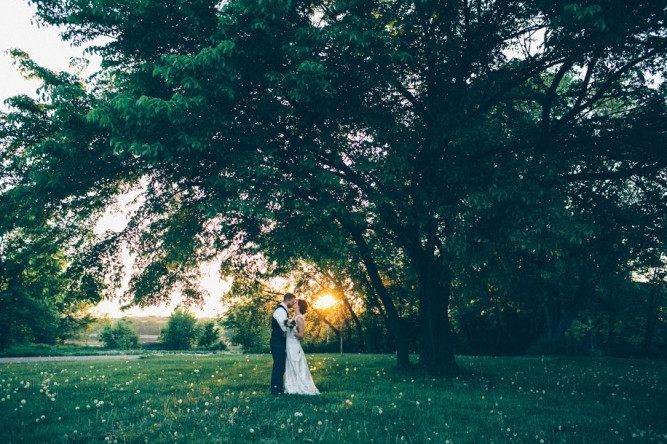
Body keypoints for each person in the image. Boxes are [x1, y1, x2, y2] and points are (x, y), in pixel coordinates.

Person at [284, 300, 320, 395]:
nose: (293, 303)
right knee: (290, 364)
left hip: (294, 345)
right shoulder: (294, 318)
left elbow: (301, 335)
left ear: (299, 306)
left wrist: (291, 331)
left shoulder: (299, 318)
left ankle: (301, 387)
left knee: (295, 364)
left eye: (295, 303)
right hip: (289, 344)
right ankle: (292, 386)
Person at [270, 293, 296, 395]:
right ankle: (276, 390)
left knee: (281, 366)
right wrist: (295, 323)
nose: (293, 303)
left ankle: (278, 388)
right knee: (278, 366)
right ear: (288, 300)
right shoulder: (281, 311)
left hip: (279, 341)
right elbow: (284, 327)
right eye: (293, 301)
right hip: (277, 341)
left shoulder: (283, 310)